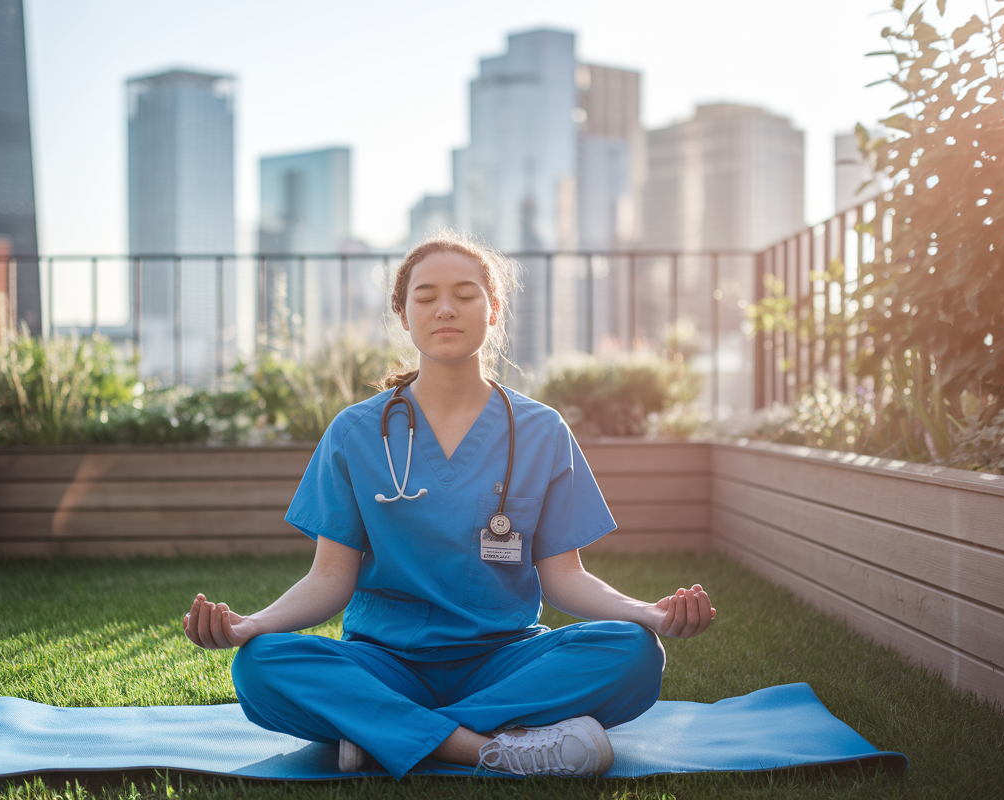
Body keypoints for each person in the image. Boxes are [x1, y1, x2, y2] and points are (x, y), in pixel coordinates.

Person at [183, 233, 716, 779]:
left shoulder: (542, 430)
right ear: (402, 312)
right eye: (425, 295)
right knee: (262, 665)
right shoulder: (355, 432)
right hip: (385, 661)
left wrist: (647, 614)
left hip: (504, 659)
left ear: (493, 310)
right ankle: (486, 748)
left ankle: (380, 734)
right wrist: (254, 625)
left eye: (465, 294)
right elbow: (329, 580)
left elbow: (565, 578)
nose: (444, 309)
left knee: (634, 652)